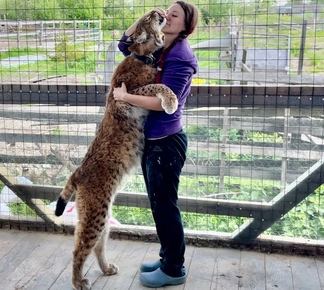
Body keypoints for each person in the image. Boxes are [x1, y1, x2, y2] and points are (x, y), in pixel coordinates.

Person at [113, 1, 199, 288]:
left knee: (165, 207)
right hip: (153, 138)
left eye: (174, 15)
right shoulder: (162, 47)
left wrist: (125, 98)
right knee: (158, 205)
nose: (168, 17)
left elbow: (165, 103)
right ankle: (166, 258)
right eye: (166, 13)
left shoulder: (181, 56)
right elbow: (124, 45)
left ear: (186, 25)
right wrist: (144, 19)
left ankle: (174, 269)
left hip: (166, 141)